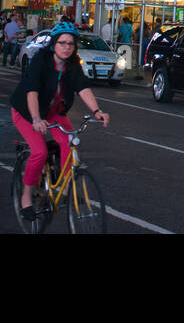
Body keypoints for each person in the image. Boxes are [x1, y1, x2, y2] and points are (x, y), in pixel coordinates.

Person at [9, 21, 110, 219]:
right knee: (39, 151)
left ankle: (65, 191)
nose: (66, 47)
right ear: (54, 44)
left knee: (69, 143)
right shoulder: (41, 60)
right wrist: (36, 119)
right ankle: (26, 197)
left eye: (70, 44)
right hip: (28, 111)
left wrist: (97, 110)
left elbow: (82, 87)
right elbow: (32, 91)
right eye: (62, 43)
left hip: (55, 111)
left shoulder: (72, 64)